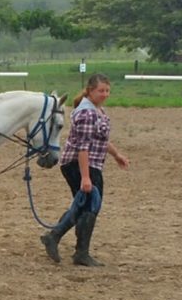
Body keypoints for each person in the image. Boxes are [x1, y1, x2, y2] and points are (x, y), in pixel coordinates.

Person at [39, 73, 129, 267]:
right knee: (89, 206)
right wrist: (86, 177)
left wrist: (116, 154)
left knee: (84, 206)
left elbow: (101, 140)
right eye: (101, 91)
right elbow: (83, 147)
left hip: (87, 163)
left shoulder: (96, 110)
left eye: (107, 90)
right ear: (90, 91)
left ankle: (58, 239)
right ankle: (75, 249)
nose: (105, 94)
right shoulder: (87, 113)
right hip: (81, 164)